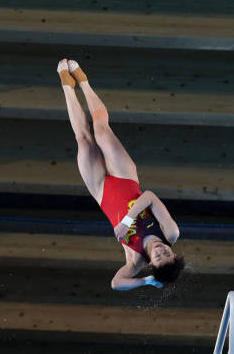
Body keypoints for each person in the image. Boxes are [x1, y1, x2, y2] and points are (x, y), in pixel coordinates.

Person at [57, 59, 185, 291]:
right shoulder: (171, 232)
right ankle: (84, 82)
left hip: (102, 192)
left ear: (152, 265)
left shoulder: (135, 262)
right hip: (125, 178)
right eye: (167, 252)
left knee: (84, 140)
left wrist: (148, 281)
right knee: (101, 130)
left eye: (158, 257)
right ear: (174, 253)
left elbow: (116, 284)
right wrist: (127, 221)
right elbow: (149, 197)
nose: (160, 250)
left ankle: (66, 85)